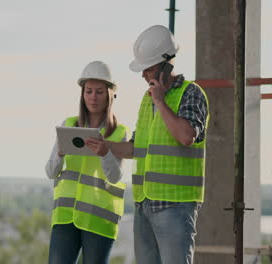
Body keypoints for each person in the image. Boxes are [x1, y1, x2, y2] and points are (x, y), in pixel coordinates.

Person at [103, 25, 210, 264]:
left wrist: (161, 102)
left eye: (147, 69)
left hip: (175, 206)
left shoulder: (191, 93)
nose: (143, 76)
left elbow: (186, 136)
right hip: (144, 204)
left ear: (166, 65)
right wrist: (104, 146)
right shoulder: (147, 99)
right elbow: (134, 148)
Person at [45, 61, 128, 264]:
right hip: (66, 216)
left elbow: (115, 176)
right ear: (82, 94)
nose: (93, 97)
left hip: (98, 220)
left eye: (99, 91)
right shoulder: (69, 125)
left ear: (109, 94)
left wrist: (105, 153)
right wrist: (60, 154)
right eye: (88, 91)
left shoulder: (119, 132)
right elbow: (50, 171)